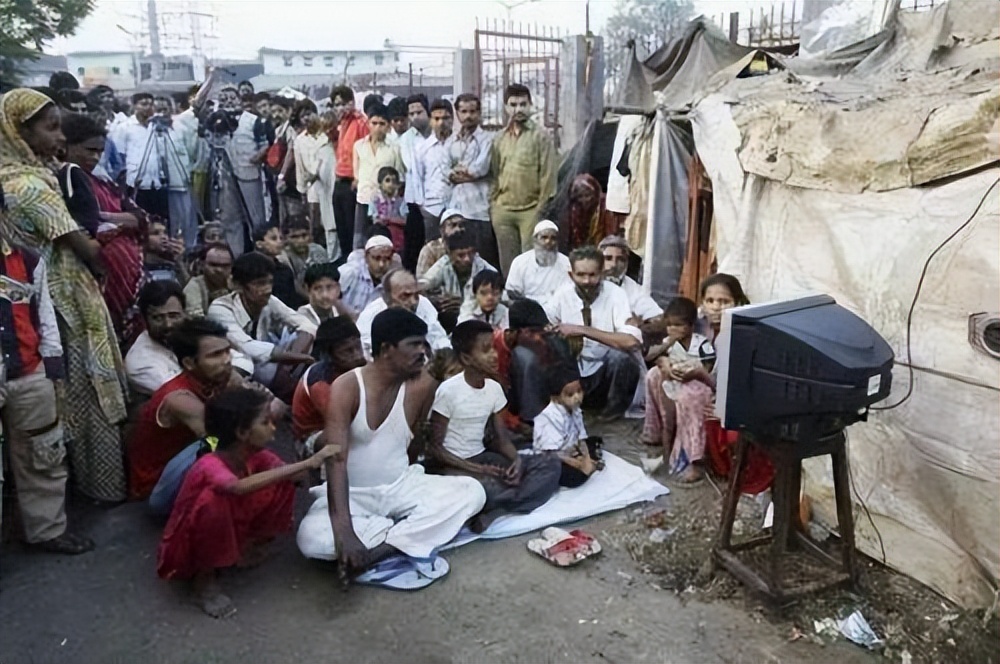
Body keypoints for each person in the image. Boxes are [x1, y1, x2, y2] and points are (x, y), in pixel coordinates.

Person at [0, 88, 129, 502]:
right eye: (50, 127)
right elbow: (85, 247)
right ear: (20, 132)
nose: (59, 137)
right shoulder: (31, 187)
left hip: (41, 297)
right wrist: (116, 239)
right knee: (88, 389)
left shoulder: (18, 177)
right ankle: (99, 487)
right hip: (64, 300)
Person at [297, 308, 486, 574]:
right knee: (312, 540)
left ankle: (382, 548)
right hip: (355, 496)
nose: (423, 352)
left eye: (424, 343)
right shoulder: (347, 386)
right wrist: (345, 534)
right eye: (414, 344)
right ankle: (406, 532)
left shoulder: (423, 385)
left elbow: (415, 444)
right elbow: (336, 461)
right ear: (386, 349)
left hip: (401, 486)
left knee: (472, 492)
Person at [158, 387, 336, 618]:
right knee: (213, 504)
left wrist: (300, 469)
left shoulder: (256, 455)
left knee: (283, 478)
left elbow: (288, 474)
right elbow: (236, 487)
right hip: (188, 544)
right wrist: (309, 462)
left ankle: (247, 546)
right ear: (242, 433)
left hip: (231, 518)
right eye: (265, 422)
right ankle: (205, 581)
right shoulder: (209, 464)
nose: (273, 427)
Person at [0, 235, 94, 554]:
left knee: (43, 454)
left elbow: (44, 314)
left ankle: (47, 531)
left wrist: (51, 366)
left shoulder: (26, 260)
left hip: (29, 372)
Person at [428, 320, 560, 532]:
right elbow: (435, 448)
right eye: (486, 350)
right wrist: (478, 469)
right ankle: (505, 501)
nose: (494, 355)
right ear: (466, 358)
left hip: (483, 458)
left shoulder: (493, 389)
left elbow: (501, 439)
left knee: (550, 465)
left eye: (493, 348)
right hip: (453, 466)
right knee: (481, 488)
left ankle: (498, 508)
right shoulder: (448, 391)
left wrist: (515, 460)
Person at [641, 274, 749, 483]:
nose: (716, 307)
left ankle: (694, 460)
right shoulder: (700, 323)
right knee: (655, 375)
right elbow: (672, 342)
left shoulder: (738, 334)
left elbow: (730, 385)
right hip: (698, 379)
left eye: (724, 301)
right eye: (710, 301)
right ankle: (659, 435)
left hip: (724, 397)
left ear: (738, 302)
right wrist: (665, 362)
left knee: (692, 394)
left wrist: (699, 374)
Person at [128, 317, 244, 499]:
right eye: (215, 355)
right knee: (221, 444)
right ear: (189, 363)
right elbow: (222, 441)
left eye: (227, 351)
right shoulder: (178, 398)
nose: (226, 360)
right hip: (156, 486)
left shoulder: (217, 378)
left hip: (185, 462)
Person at [59, 111, 147, 346]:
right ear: (66, 145)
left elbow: (140, 217)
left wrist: (104, 217)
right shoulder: (65, 179)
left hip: (123, 275)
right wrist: (115, 223)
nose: (96, 157)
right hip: (94, 275)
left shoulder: (101, 181)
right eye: (90, 150)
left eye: (100, 151)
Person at [544, 246, 642, 420]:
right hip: (574, 374)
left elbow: (631, 341)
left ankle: (612, 410)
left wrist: (582, 330)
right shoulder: (562, 295)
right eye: (581, 275)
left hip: (603, 374)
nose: (587, 281)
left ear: (602, 273)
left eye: (592, 275)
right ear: (571, 275)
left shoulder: (616, 295)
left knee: (622, 358)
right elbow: (544, 325)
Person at [208, 251, 316, 401]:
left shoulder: (269, 300)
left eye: (269, 282)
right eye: (259, 283)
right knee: (247, 363)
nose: (267, 289)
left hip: (271, 364)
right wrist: (295, 357)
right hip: (237, 367)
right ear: (240, 286)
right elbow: (246, 346)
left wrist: (292, 361)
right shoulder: (220, 308)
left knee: (304, 336)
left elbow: (304, 323)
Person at [489, 83, 557, 275]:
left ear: (530, 105)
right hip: (503, 210)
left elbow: (548, 176)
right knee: (509, 267)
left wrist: (539, 210)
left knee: (532, 264)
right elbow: (495, 173)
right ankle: (512, 302)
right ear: (505, 107)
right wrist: (494, 206)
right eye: (513, 104)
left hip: (530, 211)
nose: (518, 109)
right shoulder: (499, 138)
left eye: (523, 104)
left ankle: (532, 304)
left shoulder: (541, 137)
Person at [117, 92, 196, 246]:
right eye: (143, 104)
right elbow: (119, 156)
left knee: (162, 222)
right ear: (134, 106)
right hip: (137, 182)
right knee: (141, 221)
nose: (148, 108)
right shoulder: (125, 128)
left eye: (150, 104)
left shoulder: (158, 127)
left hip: (158, 183)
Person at [291, 317, 366, 456]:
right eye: (347, 351)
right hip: (313, 437)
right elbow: (343, 422)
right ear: (329, 356)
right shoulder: (321, 383)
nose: (357, 355)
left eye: (358, 347)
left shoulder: (357, 364)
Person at [212, 84, 267, 256]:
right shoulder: (216, 121)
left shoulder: (252, 120)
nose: (228, 102)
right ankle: (237, 255)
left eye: (232, 98)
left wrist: (257, 157)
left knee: (255, 217)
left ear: (239, 100)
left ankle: (260, 254)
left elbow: (265, 146)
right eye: (223, 99)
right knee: (230, 218)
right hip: (225, 176)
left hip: (249, 174)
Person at [356, 268, 451, 360]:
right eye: (405, 296)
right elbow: (368, 355)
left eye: (416, 295)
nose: (414, 302)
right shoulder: (370, 315)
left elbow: (439, 340)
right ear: (387, 298)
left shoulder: (423, 303)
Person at [448, 93, 497, 268]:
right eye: (464, 111)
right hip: (457, 208)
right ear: (458, 114)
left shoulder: (488, 139)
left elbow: (481, 168)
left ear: (479, 113)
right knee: (461, 260)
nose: (468, 116)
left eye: (472, 111)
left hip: (479, 209)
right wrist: (465, 174)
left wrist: (460, 174)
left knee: (483, 259)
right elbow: (446, 170)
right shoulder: (452, 141)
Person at [532, 365, 602, 488]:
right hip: (553, 458)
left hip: (571, 449)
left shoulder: (575, 410)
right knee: (572, 477)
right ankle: (586, 467)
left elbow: (581, 437)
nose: (577, 397)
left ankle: (588, 464)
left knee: (594, 441)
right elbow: (552, 453)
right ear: (556, 397)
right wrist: (579, 464)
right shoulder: (548, 417)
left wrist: (585, 457)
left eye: (579, 391)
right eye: (570, 394)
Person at [419, 229, 497, 331]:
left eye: (471, 253)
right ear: (449, 254)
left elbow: (500, 299)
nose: (467, 259)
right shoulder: (443, 265)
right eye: (461, 255)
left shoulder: (486, 269)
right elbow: (421, 286)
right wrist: (436, 301)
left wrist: (465, 303)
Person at [352, 102, 403, 250]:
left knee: (383, 243)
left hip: (385, 204)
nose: (377, 128)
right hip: (363, 199)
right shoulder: (359, 146)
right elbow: (357, 173)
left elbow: (398, 174)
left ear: (388, 126)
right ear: (368, 123)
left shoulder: (394, 148)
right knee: (359, 242)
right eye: (374, 123)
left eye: (382, 123)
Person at [125, 280, 188, 397]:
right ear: (144, 320)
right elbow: (182, 395)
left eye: (174, 316)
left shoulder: (190, 334)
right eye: (158, 318)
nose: (168, 324)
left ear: (185, 314)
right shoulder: (141, 362)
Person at [330, 85, 369, 256]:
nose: (339, 108)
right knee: (342, 230)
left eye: (342, 103)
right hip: (339, 180)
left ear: (352, 103)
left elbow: (366, 154)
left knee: (353, 231)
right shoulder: (341, 124)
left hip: (353, 183)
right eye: (336, 104)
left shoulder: (361, 122)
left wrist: (358, 178)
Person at [397, 94, 432, 270]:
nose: (415, 117)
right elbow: (412, 166)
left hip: (437, 201)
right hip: (415, 201)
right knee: (414, 247)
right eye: (411, 114)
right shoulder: (405, 139)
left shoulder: (437, 134)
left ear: (427, 111)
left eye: (419, 112)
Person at [504, 219, 572, 309]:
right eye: (544, 237)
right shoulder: (520, 261)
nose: (548, 242)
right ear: (535, 240)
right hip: (527, 308)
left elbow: (569, 293)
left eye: (553, 238)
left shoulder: (566, 263)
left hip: (557, 308)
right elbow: (512, 292)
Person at [414, 98, 454, 242]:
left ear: (452, 119)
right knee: (433, 249)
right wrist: (423, 206)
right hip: (432, 208)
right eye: (436, 118)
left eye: (445, 118)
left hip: (456, 206)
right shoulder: (422, 148)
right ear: (431, 120)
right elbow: (418, 178)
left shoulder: (458, 145)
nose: (441, 123)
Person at [600, 234, 662, 323]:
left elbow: (656, 316)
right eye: (608, 258)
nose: (613, 264)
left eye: (620, 259)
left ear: (626, 263)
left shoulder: (633, 288)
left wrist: (641, 323)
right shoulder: (588, 281)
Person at [337, 234, 395, 316]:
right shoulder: (349, 272)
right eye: (376, 258)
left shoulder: (392, 281)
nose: (381, 264)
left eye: (387, 259)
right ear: (366, 257)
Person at [290, 99, 325, 231]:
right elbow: (300, 168)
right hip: (311, 188)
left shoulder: (326, 135)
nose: (306, 118)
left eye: (309, 114)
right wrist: (302, 191)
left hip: (328, 185)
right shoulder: (299, 140)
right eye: (302, 116)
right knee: (314, 224)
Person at [253, 223, 304, 309]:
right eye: (274, 238)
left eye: (281, 238)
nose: (279, 242)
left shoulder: (284, 270)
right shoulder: (252, 269)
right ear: (259, 244)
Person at [183, 243, 233, 317]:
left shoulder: (237, 285)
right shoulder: (194, 287)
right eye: (213, 265)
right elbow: (197, 321)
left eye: (225, 266)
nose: (219, 270)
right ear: (202, 265)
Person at [283, 214, 327, 297]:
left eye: (304, 235)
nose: (301, 241)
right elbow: (295, 286)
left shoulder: (318, 250)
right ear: (286, 239)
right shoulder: (284, 258)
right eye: (294, 237)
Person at [415, 207, 465, 280]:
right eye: (453, 225)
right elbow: (422, 280)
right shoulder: (430, 250)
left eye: (461, 225)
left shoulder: (469, 248)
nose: (458, 229)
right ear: (442, 229)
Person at [371, 166, 407, 252]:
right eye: (387, 181)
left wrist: (389, 220)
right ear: (380, 183)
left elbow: (404, 221)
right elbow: (374, 219)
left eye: (394, 182)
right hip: (380, 236)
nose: (391, 184)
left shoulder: (401, 201)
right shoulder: (375, 200)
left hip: (397, 238)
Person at [144, 219, 188, 285]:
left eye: (165, 232)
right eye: (156, 233)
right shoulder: (138, 268)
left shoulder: (173, 267)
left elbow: (188, 289)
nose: (163, 237)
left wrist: (179, 260)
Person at [298, 262, 342, 327]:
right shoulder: (300, 321)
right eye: (318, 288)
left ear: (338, 288)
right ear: (307, 289)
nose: (325, 295)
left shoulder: (341, 314)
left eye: (329, 287)